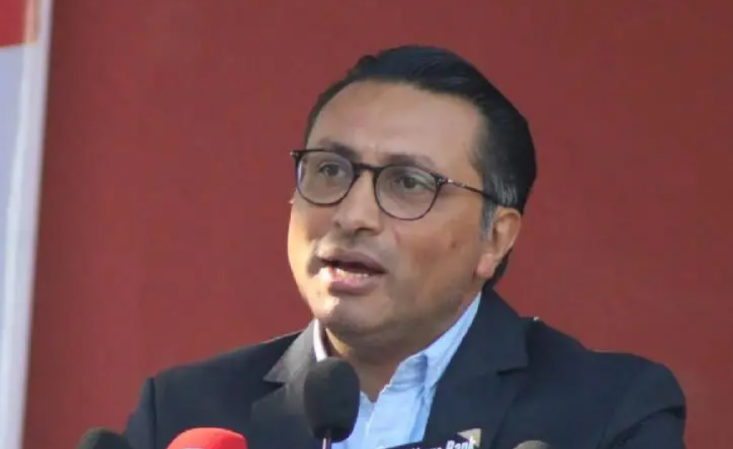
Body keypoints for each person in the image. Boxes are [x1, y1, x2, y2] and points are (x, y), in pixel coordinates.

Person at [123, 45, 686, 449]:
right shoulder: (184, 415)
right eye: (329, 170)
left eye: (408, 183)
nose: (353, 215)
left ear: (495, 238)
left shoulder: (608, 412)